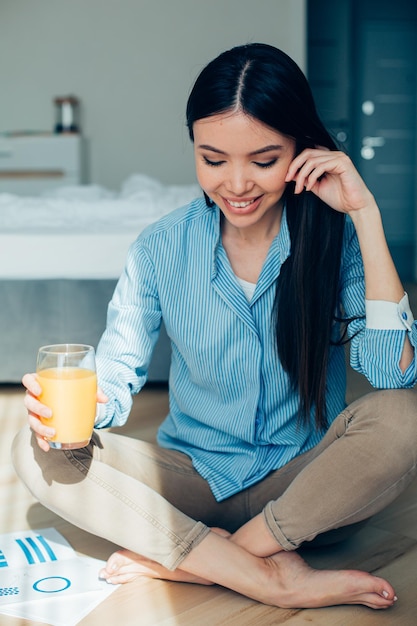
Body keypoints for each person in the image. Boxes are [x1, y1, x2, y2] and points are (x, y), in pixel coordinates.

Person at [13, 43, 417, 610]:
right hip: (189, 481)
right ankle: (265, 575)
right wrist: (71, 414)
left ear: (301, 149)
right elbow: (116, 378)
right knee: (34, 448)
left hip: (304, 494)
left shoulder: (336, 239)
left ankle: (196, 560)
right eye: (213, 159)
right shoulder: (159, 249)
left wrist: (365, 216)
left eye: (264, 159)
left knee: (404, 417)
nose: (237, 184)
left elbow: (391, 376)